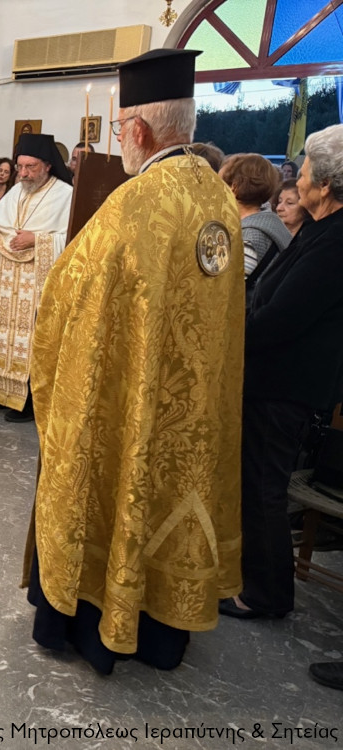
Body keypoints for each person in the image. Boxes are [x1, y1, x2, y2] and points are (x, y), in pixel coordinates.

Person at [25, 49, 244, 674]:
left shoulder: (136, 203)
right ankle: (162, 632)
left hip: (135, 398)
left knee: (116, 482)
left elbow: (70, 299)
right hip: (196, 409)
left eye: (120, 127)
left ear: (139, 131)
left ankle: (94, 625)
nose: (120, 139)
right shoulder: (218, 198)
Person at [221, 124, 343, 619]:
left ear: (327, 185)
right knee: (257, 482)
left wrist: (233, 329)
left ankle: (266, 595)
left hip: (284, 384)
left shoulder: (335, 240)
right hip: (275, 378)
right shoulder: (319, 228)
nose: (298, 179)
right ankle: (255, 582)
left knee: (264, 486)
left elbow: (284, 317)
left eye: (307, 171)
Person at [0, 133, 72, 421]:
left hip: (39, 282)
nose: (24, 174)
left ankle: (28, 401)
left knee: (31, 339)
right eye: (20, 167)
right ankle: (3, 393)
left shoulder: (65, 195)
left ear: (48, 166)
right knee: (6, 334)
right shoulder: (16, 192)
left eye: (31, 167)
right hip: (9, 281)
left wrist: (37, 240)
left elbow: (74, 239)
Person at [218, 153, 292, 290]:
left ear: (234, 187)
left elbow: (225, 290)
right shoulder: (271, 224)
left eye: (219, 183)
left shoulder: (251, 237)